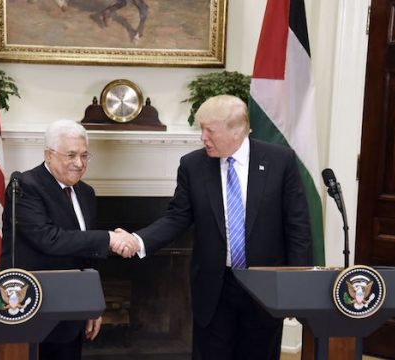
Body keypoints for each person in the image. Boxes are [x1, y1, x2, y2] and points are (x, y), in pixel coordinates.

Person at [113, 95, 313, 359]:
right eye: (201, 129)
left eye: (210, 130)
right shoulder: (193, 165)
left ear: (238, 130)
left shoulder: (279, 161)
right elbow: (176, 218)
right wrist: (138, 241)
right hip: (215, 287)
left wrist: (295, 285)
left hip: (264, 286)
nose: (203, 137)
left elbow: (297, 226)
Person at [0, 119, 134, 360]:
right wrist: (109, 238)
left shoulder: (86, 192)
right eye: (71, 155)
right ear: (48, 155)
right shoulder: (25, 186)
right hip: (34, 310)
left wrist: (92, 305)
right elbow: (49, 239)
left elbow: (88, 258)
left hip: (72, 312)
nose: (79, 163)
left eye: (84, 155)